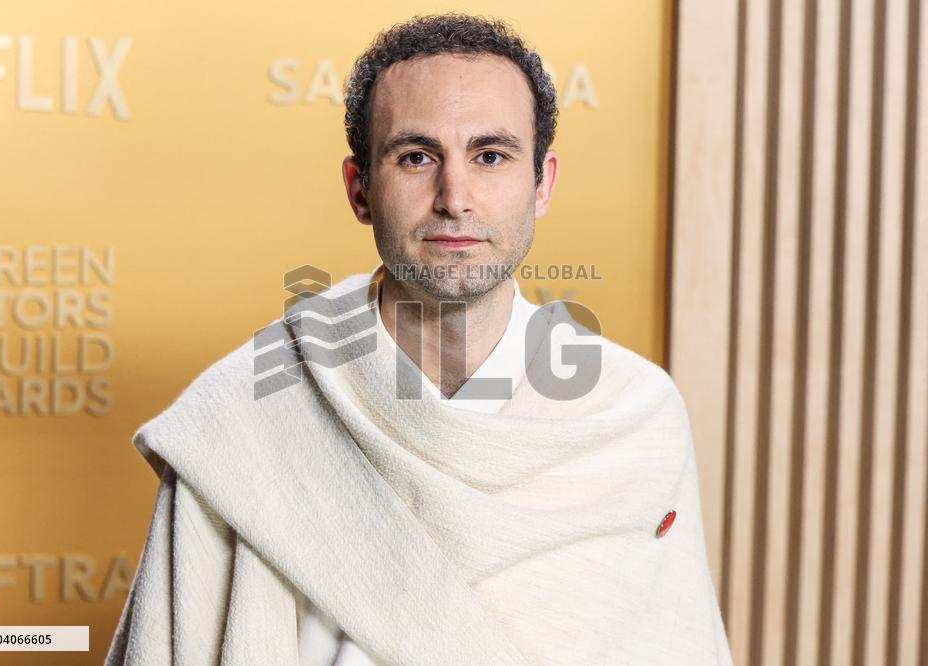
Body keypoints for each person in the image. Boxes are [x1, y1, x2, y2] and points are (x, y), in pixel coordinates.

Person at [105, 13, 733, 665]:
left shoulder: (633, 419)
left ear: (542, 184)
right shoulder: (242, 419)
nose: (454, 197)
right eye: (416, 157)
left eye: (490, 156)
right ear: (360, 190)